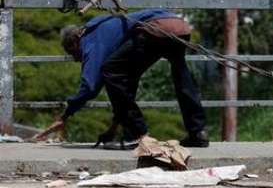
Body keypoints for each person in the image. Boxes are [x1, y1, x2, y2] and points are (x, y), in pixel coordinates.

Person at [39, 9, 209, 149]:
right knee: (181, 76)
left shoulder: (89, 40)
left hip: (155, 28)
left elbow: (90, 87)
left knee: (110, 70)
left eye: (73, 53)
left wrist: (65, 115)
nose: (77, 59)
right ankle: (198, 132)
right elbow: (126, 85)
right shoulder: (99, 25)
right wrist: (113, 128)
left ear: (75, 41)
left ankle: (137, 133)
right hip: (179, 25)